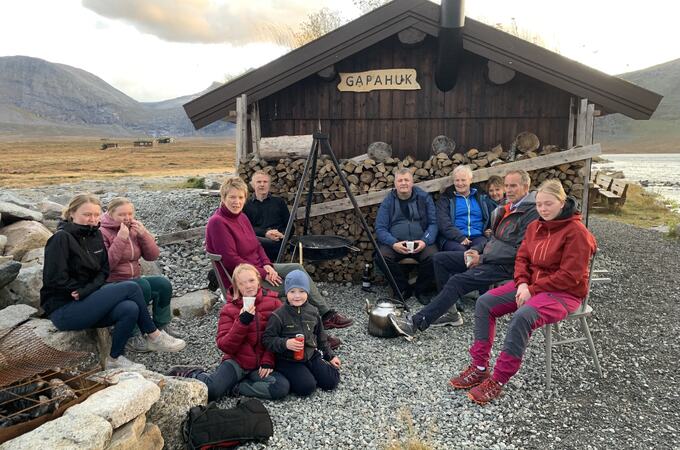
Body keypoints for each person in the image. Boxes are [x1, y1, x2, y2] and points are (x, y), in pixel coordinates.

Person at [449, 179, 597, 404]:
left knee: (523, 316)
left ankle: (498, 380)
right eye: (539, 205)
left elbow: (570, 276)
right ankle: (479, 367)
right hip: (531, 287)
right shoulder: (535, 226)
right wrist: (522, 284)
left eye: (548, 204)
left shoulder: (577, 232)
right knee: (485, 302)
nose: (543, 209)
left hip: (564, 294)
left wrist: (532, 288)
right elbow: (522, 258)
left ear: (562, 202)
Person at [40, 194, 186, 371]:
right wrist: (85, 290)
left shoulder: (94, 235)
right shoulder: (61, 238)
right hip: (65, 309)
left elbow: (103, 271)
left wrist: (89, 289)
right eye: (87, 214)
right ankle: (154, 335)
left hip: (87, 299)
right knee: (132, 287)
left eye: (95, 215)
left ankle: (115, 358)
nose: (92, 219)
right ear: (72, 214)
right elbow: (54, 279)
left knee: (129, 308)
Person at [205, 177, 352, 349]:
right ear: (223, 197)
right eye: (232, 197)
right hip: (241, 279)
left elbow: (257, 245)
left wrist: (267, 264)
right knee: (292, 288)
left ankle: (326, 315)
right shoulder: (218, 223)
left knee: (296, 269)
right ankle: (315, 336)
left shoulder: (242, 217)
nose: (236, 202)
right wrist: (264, 272)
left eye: (240, 198)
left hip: (259, 269)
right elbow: (232, 261)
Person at [389, 170, 539, 333]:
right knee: (439, 259)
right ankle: (452, 313)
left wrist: (481, 259)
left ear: (526, 186)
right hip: (489, 257)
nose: (508, 190)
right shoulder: (506, 207)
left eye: (513, 186)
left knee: (457, 281)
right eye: (507, 186)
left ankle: (415, 323)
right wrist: (475, 250)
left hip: (505, 266)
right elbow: (493, 239)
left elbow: (520, 251)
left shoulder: (532, 212)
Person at [167, 264, 290, 401]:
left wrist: (268, 359)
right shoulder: (229, 309)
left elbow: (279, 336)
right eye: (242, 283)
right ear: (236, 286)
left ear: (258, 280)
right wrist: (241, 323)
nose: (248, 286)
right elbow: (225, 346)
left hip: (261, 364)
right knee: (212, 392)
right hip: (237, 361)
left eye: (251, 281)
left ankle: (235, 388)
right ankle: (194, 373)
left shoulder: (274, 303)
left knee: (280, 387)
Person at [100, 197, 183, 354]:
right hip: (112, 283)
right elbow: (106, 264)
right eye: (122, 214)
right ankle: (134, 335)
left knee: (162, 284)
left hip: (134, 279)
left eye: (130, 213)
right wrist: (121, 238)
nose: (127, 218)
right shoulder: (103, 232)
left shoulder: (133, 228)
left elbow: (152, 256)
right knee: (142, 286)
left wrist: (144, 235)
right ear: (110, 214)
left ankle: (161, 327)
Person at [262, 270, 340, 397]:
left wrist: (330, 356)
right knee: (307, 388)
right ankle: (291, 374)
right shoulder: (278, 315)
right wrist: (285, 343)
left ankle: (309, 371)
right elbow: (267, 340)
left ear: (307, 292)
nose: (297, 296)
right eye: (292, 291)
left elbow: (321, 337)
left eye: (302, 291)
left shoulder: (313, 311)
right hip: (287, 359)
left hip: (310, 355)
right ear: (286, 292)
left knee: (331, 382)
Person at [375, 168, 438, 304]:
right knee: (381, 257)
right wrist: (393, 243)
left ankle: (421, 290)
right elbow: (380, 228)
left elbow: (433, 224)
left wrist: (425, 241)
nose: (403, 183)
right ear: (395, 183)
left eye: (406, 180)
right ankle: (403, 289)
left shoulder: (424, 198)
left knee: (434, 258)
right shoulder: (388, 201)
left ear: (412, 182)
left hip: (421, 241)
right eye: (400, 180)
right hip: (396, 243)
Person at [437, 165, 491, 252]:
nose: (460, 183)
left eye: (463, 180)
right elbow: (443, 222)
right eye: (457, 180)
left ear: (470, 180)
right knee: (460, 252)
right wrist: (460, 237)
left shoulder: (481, 196)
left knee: (482, 249)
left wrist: (489, 229)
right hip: (454, 238)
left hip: (478, 236)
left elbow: (492, 214)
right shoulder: (446, 198)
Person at [243, 170, 291, 261]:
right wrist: (265, 233)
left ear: (269, 184)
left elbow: (290, 225)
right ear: (252, 185)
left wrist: (281, 235)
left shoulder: (279, 202)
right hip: (256, 242)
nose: (262, 184)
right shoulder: (246, 205)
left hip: (277, 242)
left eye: (265, 182)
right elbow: (245, 227)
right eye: (259, 182)